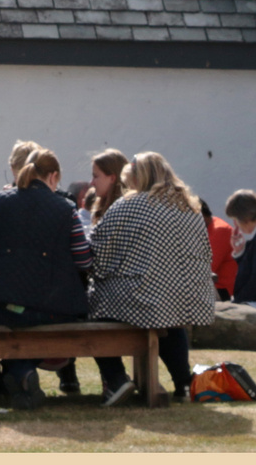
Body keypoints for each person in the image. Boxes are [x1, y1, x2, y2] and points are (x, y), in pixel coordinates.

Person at [0, 149, 94, 410]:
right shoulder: (66, 209)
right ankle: (20, 374)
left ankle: (19, 373)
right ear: (53, 176)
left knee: (14, 319)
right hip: (51, 309)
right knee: (38, 319)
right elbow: (84, 260)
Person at [88, 152, 216, 403]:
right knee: (166, 313)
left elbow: (96, 252)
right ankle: (183, 383)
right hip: (187, 299)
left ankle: (116, 378)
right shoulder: (190, 206)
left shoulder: (130, 204)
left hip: (141, 301)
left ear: (138, 179)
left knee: (91, 303)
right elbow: (205, 252)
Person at [198, 198, 238, 301]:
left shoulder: (219, 230)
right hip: (211, 289)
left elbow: (206, 268)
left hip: (222, 292)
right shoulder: (207, 228)